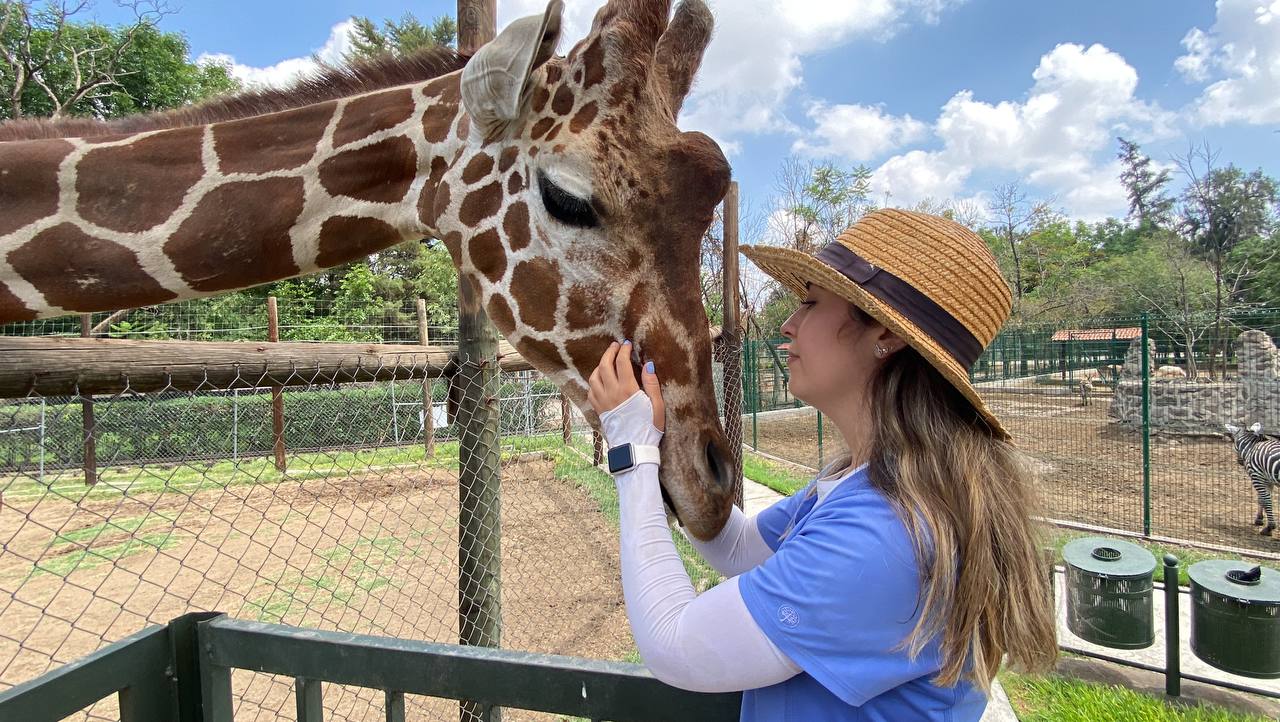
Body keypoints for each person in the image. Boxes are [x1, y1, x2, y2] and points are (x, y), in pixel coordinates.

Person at [587, 208, 1058, 721]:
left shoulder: (885, 535)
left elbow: (674, 645)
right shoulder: (860, 482)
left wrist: (631, 455)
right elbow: (739, 547)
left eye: (810, 303)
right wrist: (667, 450)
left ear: (886, 335)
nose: (788, 325)